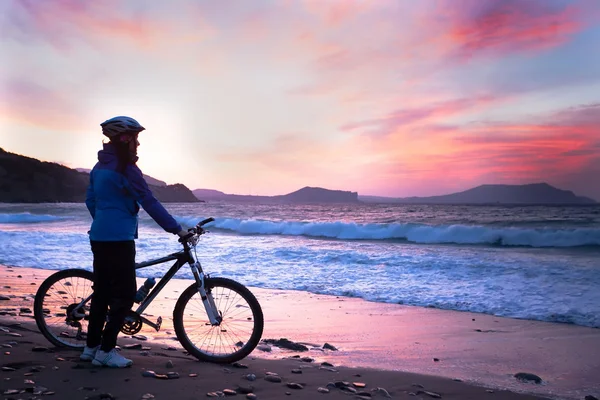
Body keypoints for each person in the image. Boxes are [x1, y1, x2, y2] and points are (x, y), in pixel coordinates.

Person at [81, 116, 188, 368]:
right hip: (119, 239)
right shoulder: (126, 169)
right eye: (136, 138)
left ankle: (90, 347)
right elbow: (148, 200)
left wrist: (105, 221)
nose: (138, 144)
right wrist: (176, 229)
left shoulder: (98, 167)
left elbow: (90, 201)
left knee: (102, 293)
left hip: (99, 235)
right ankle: (106, 351)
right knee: (124, 295)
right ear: (125, 138)